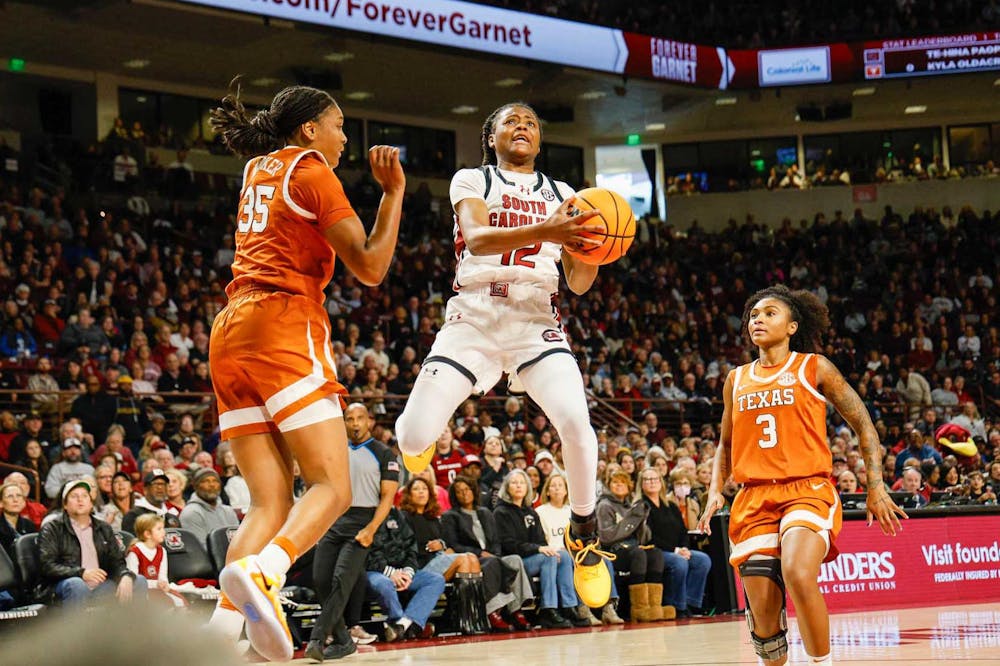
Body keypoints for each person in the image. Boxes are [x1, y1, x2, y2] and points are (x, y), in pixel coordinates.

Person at [207, 79, 405, 662]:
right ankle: (268, 572)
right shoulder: (312, 168)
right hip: (281, 323)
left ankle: (216, 635)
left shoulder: (255, 169)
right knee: (334, 485)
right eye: (339, 124)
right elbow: (369, 266)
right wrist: (392, 194)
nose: (345, 136)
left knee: (269, 502)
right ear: (309, 128)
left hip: (229, 331)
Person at [395, 102, 611, 609]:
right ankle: (422, 436)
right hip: (473, 317)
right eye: (511, 121)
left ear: (540, 139)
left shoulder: (565, 196)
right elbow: (477, 237)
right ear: (491, 136)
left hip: (536, 323)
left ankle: (583, 529)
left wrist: (596, 247)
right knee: (411, 436)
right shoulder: (472, 179)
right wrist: (550, 232)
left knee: (578, 424)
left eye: (532, 122)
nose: (522, 127)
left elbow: (578, 283)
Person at [698, 285, 906, 666]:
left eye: (769, 313)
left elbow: (863, 425)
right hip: (753, 497)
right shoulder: (736, 379)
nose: (757, 319)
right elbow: (725, 445)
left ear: (793, 326)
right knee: (763, 613)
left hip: (806, 490)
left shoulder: (814, 367)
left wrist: (875, 486)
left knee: (796, 569)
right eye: (753, 315)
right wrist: (715, 489)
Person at [305, 403, 400, 662]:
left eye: (360, 418)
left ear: (369, 421)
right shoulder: (335, 451)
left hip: (363, 520)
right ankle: (345, 641)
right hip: (334, 518)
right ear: (343, 422)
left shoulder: (384, 454)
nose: (355, 424)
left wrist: (371, 528)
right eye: (350, 419)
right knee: (321, 580)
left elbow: (387, 498)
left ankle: (317, 637)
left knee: (340, 581)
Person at [441, 475, 537, 632]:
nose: (464, 494)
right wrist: (480, 553)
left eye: (467, 489)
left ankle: (516, 609)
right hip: (471, 560)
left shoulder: (485, 513)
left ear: (474, 491)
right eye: (459, 491)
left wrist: (495, 554)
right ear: (454, 495)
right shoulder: (450, 516)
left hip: (492, 556)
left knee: (515, 560)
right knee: (492, 563)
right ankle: (492, 611)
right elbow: (453, 545)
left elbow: (496, 540)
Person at [38, 480, 145, 605]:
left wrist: (125, 575)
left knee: (138, 581)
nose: (80, 500)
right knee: (77, 585)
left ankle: (133, 624)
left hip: (100, 587)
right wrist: (81, 573)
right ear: (65, 505)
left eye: (84, 496)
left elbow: (117, 561)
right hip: (63, 585)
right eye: (74, 496)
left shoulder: (104, 528)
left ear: (91, 504)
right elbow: (47, 566)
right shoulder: (52, 528)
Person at [493, 469, 577, 629]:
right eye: (514, 483)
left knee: (563, 556)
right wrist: (538, 549)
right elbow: (507, 543)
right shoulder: (501, 512)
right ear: (507, 487)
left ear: (528, 488)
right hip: (513, 561)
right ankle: (548, 609)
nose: (519, 486)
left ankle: (569, 607)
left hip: (532, 558)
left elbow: (540, 540)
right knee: (549, 557)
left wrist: (542, 548)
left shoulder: (531, 512)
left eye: (522, 483)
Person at [534, 472, 620, 625]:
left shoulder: (571, 512)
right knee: (573, 561)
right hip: (556, 552)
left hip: (577, 550)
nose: (557, 489)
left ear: (567, 490)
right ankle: (582, 607)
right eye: (553, 486)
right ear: (547, 491)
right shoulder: (540, 512)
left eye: (560, 485)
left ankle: (609, 607)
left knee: (604, 561)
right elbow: (541, 539)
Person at [596, 469, 670, 622]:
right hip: (612, 551)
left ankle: (654, 606)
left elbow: (643, 538)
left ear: (629, 486)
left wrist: (642, 521)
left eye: (623, 482)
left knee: (655, 554)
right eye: (615, 482)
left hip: (632, 547)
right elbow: (606, 537)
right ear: (609, 485)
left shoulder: (630, 506)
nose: (619, 485)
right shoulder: (604, 505)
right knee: (638, 554)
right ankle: (639, 608)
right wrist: (630, 522)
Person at [364, 505, 447, 642]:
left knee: (435, 580)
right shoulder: (363, 515)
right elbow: (365, 555)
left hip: (402, 571)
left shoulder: (397, 514)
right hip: (374, 571)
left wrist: (408, 572)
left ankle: (402, 625)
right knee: (384, 583)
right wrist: (391, 573)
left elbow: (411, 546)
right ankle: (402, 623)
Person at [639, 469, 712, 618]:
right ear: (641, 484)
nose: (652, 482)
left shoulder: (671, 506)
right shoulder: (642, 507)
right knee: (679, 563)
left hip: (677, 550)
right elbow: (649, 537)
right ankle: (677, 606)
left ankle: (691, 602)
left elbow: (682, 531)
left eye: (655, 479)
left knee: (702, 560)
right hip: (655, 551)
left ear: (661, 482)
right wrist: (676, 550)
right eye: (647, 479)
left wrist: (684, 547)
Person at [125, 513, 185, 608]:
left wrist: (164, 584)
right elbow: (134, 581)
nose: (164, 532)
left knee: (180, 602)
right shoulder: (135, 552)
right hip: (141, 592)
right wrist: (156, 584)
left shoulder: (162, 551)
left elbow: (163, 577)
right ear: (147, 534)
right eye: (159, 529)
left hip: (158, 590)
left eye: (163, 528)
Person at [179, 467, 239, 543]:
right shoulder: (191, 513)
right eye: (206, 481)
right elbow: (200, 548)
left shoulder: (228, 511)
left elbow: (239, 541)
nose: (212, 485)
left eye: (215, 481)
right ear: (195, 486)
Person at [121, 468, 182, 534]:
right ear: (145, 490)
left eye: (163, 484)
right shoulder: (134, 516)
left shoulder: (172, 516)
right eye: (155, 484)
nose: (160, 487)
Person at [0, 481, 36, 561]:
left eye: (19, 496)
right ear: (1, 503)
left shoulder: (29, 525)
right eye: (10, 496)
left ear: (24, 502)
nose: (15, 500)